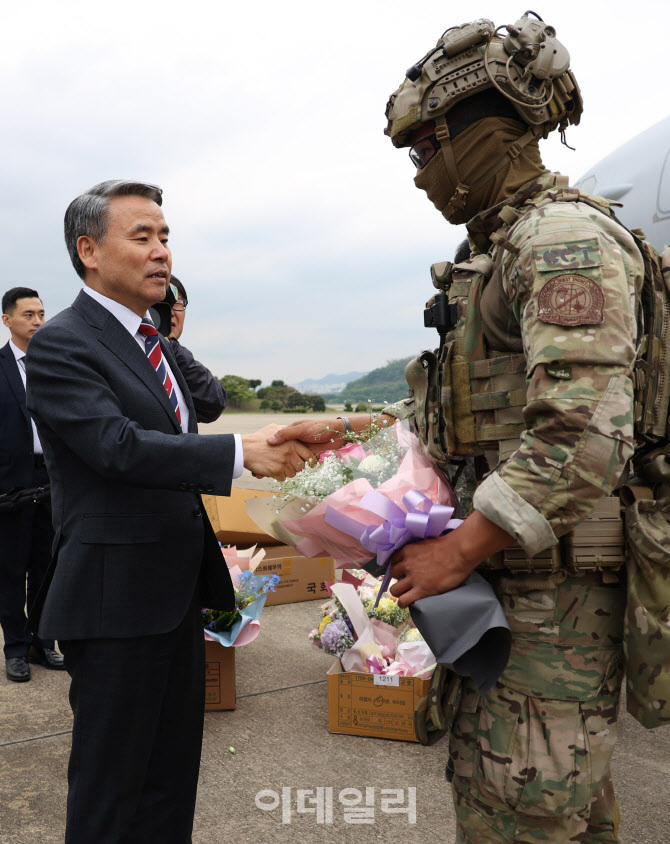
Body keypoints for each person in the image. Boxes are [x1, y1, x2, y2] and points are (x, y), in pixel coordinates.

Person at [270, 12, 647, 842]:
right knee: (560, 815)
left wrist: (460, 547)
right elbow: (475, 412)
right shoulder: (507, 247)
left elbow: (582, 435)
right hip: (519, 595)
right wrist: (349, 437)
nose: (419, 176)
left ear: (473, 133)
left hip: (554, 607)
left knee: (523, 815)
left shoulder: (562, 239)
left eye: (423, 150)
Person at [25, 179, 316, 844]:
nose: (162, 252)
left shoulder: (150, 343)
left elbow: (196, 413)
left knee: (168, 783)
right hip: (115, 602)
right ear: (89, 250)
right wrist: (243, 454)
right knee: (111, 793)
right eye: (143, 237)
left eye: (166, 237)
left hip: (174, 593)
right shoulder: (64, 342)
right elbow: (116, 449)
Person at [0, 288, 64, 681]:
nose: (38, 321)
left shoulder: (55, 364)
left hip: (53, 479)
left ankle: (44, 643)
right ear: (7, 320)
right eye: (28, 315)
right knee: (10, 569)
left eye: (41, 313)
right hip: (10, 484)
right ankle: (16, 648)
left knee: (48, 566)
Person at [165, 274, 228, 423]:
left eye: (178, 303)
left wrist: (169, 347)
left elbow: (214, 403)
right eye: (161, 303)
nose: (171, 312)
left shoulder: (177, 355)